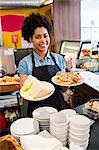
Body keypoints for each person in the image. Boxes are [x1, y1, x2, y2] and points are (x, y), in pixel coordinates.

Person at [18, 13, 68, 117]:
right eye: (38, 37)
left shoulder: (59, 59)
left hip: (58, 107)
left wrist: (64, 79)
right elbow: (25, 92)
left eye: (45, 36)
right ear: (31, 39)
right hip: (36, 110)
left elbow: (64, 89)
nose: (43, 40)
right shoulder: (24, 63)